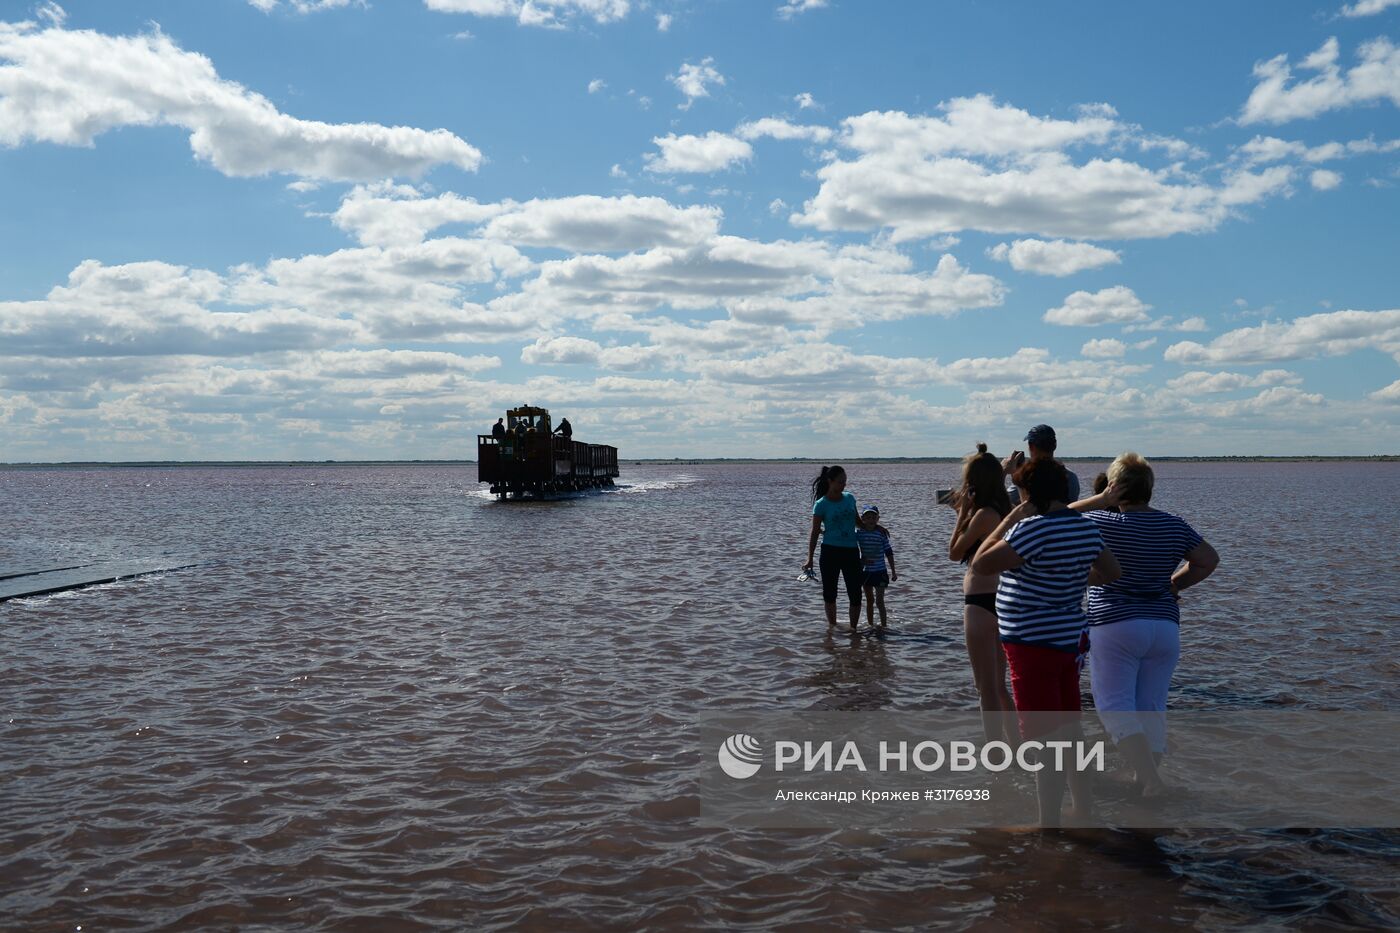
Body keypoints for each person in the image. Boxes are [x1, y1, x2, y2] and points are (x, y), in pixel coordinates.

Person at [972, 457, 1121, 827]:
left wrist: (1010, 518)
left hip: (1031, 645)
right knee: (1070, 729)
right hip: (1068, 642)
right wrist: (1065, 581)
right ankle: (1084, 809)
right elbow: (1112, 572)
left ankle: (1048, 825)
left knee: (1044, 738)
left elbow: (981, 564)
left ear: (1029, 494)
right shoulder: (1085, 529)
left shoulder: (1031, 529)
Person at [1071, 452, 1220, 797]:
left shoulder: (1098, 521)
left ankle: (1151, 781)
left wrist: (1097, 500)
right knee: (1151, 705)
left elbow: (1051, 517)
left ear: (1114, 487)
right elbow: (1208, 560)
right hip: (1164, 628)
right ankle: (1143, 783)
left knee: (1113, 705)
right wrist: (1175, 584)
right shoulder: (1173, 524)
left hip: (1116, 623)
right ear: (1149, 488)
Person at [946, 443, 1015, 743]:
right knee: (1000, 687)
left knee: (985, 688)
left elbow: (954, 552)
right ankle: (1017, 745)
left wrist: (960, 514)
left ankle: (995, 753)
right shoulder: (1007, 510)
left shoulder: (982, 515)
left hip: (979, 603)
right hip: (1004, 601)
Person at [802, 465, 863, 633]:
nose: (844, 485)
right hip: (830, 552)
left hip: (851, 551)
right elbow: (814, 532)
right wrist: (809, 558)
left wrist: (875, 528)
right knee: (830, 594)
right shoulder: (821, 505)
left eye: (845, 482)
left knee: (855, 594)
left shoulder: (850, 498)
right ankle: (832, 629)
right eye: (840, 482)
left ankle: (853, 630)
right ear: (830, 481)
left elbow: (858, 522)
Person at [1003, 424, 1080, 505]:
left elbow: (1003, 501)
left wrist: (1004, 472)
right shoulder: (1071, 477)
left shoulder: (1027, 476)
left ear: (1031, 446)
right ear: (1055, 445)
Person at [856, 505, 897, 629]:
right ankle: (870, 625)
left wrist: (893, 571)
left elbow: (888, 552)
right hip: (866, 572)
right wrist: (860, 560)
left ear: (877, 519)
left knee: (880, 601)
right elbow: (849, 547)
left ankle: (884, 627)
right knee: (869, 600)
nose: (871, 520)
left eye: (874, 517)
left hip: (880, 571)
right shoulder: (859, 533)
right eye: (868, 517)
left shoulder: (881, 534)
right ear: (862, 519)